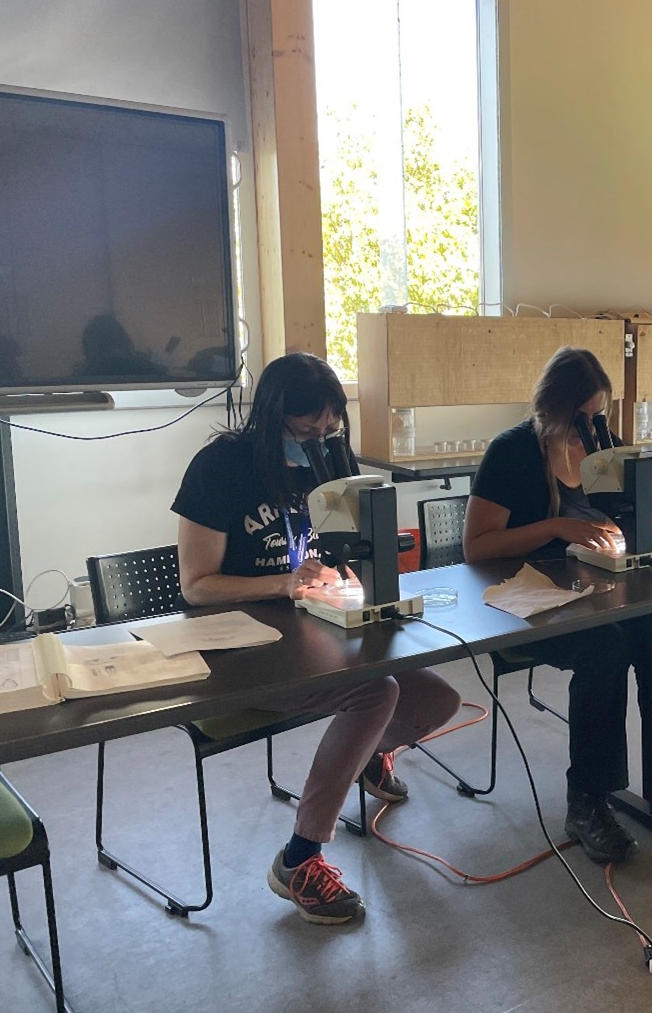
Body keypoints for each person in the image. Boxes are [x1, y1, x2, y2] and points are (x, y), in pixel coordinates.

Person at [173, 352, 461, 924]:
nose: (316, 439)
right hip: (237, 645)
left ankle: (368, 751)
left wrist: (355, 575)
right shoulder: (219, 467)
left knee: (437, 697)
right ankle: (299, 858)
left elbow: (343, 542)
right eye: (306, 428)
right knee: (375, 692)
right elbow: (196, 585)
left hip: (307, 629)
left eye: (328, 428)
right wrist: (282, 581)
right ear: (274, 415)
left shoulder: (326, 460)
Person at [463, 346, 652, 864]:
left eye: (597, 415)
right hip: (526, 593)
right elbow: (477, 548)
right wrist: (558, 527)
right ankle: (587, 798)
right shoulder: (512, 452)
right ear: (551, 407)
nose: (588, 429)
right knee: (604, 646)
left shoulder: (608, 450)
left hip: (595, 589)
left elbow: (628, 524)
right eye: (578, 418)